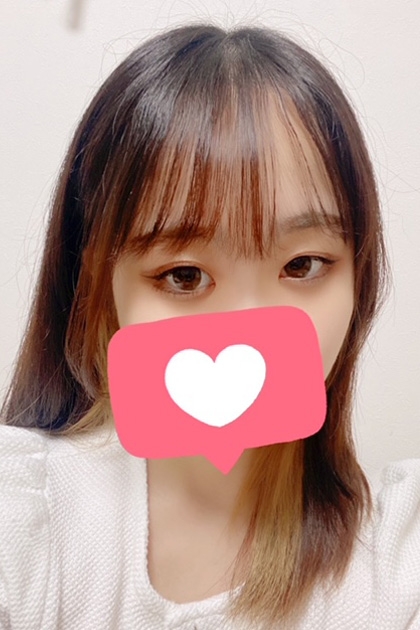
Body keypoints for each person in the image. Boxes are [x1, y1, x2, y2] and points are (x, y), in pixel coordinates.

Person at [0, 23, 419, 630]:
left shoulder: (396, 560)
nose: (247, 327)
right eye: (185, 275)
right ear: (98, 286)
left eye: (302, 265)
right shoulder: (24, 515)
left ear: (361, 279)